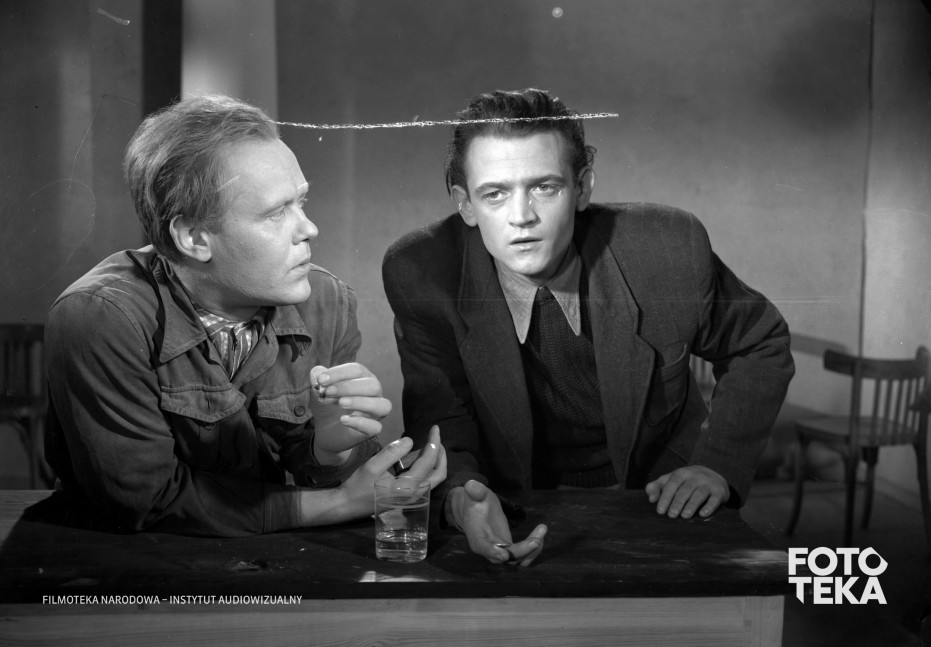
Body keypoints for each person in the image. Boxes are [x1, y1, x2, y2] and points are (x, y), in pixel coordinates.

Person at [382, 88, 794, 566]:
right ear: (466, 204)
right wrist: (460, 494)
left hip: (658, 495)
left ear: (582, 188)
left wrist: (717, 465)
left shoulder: (668, 248)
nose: (522, 217)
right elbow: (443, 415)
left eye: (545, 187)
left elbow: (760, 342)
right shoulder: (421, 272)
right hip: (509, 499)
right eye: (495, 194)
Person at [44, 94, 445, 537]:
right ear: (195, 238)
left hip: (267, 561)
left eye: (302, 202)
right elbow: (147, 502)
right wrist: (338, 503)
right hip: (120, 563)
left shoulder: (327, 301)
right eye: (275, 213)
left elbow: (317, 466)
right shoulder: (100, 317)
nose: (309, 229)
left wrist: (330, 449)